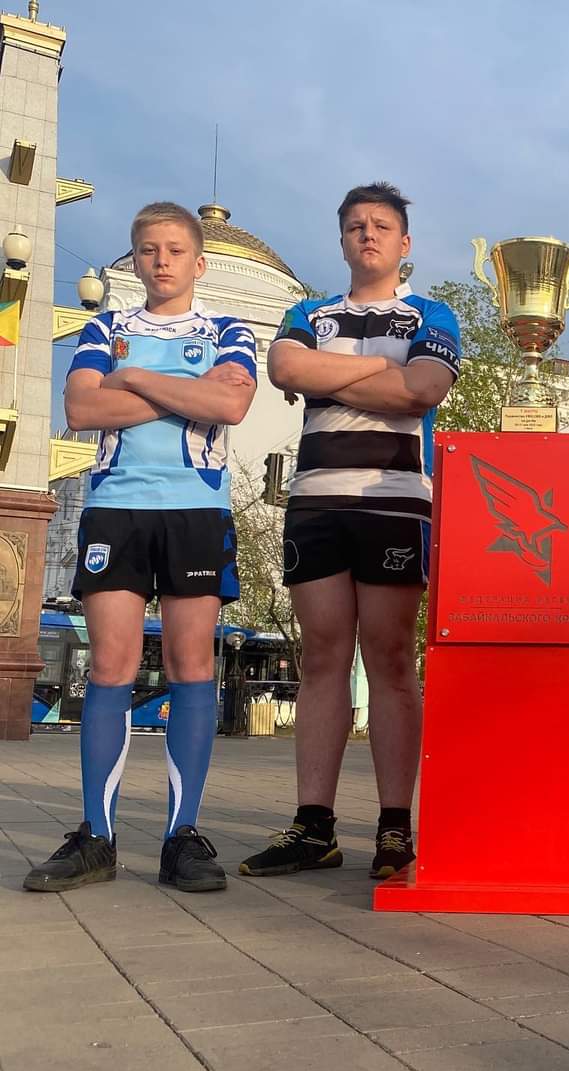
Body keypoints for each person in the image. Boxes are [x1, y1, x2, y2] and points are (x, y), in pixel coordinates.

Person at [23, 202, 257, 893]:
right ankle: (96, 837)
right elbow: (81, 408)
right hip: (115, 510)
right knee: (109, 668)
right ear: (135, 259)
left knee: (191, 666)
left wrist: (131, 380)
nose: (162, 261)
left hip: (196, 510)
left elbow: (232, 406)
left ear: (199, 262)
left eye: (176, 250)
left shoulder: (227, 329)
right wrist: (188, 393)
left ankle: (182, 838)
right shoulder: (106, 327)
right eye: (149, 250)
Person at [239, 182, 460, 881]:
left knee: (390, 658)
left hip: (395, 500)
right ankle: (314, 828)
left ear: (404, 243)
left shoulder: (431, 313)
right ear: (342, 240)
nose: (368, 234)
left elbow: (424, 389)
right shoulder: (308, 311)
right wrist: (381, 370)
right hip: (315, 501)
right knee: (323, 658)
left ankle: (395, 827)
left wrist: (328, 377)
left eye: (382, 226)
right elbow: (284, 366)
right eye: (356, 225)